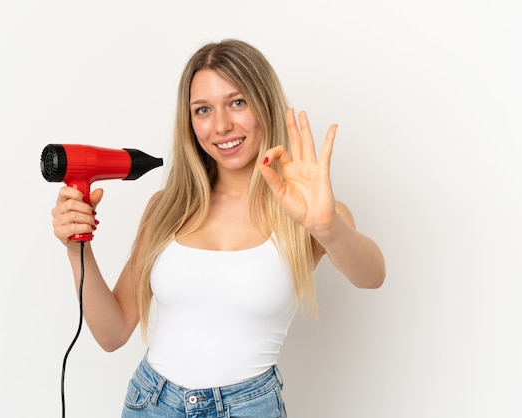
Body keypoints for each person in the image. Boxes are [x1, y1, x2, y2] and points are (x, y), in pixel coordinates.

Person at [51, 38, 385, 417]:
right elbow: (112, 334)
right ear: (190, 122)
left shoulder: (310, 214)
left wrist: (327, 227)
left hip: (248, 407)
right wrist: (76, 247)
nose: (221, 125)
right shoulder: (167, 208)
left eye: (237, 102)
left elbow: (371, 275)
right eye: (203, 110)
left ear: (265, 103)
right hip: (151, 403)